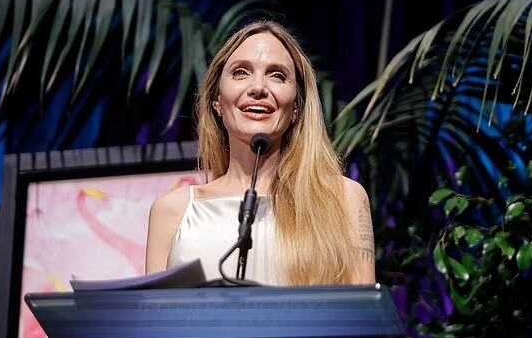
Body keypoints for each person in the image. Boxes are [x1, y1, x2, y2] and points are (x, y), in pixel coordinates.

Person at [145, 20, 375, 285]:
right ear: (217, 101)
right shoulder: (172, 211)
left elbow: (364, 317)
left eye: (277, 75)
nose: (258, 88)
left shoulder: (342, 199)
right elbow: (154, 321)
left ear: (296, 108)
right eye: (241, 72)